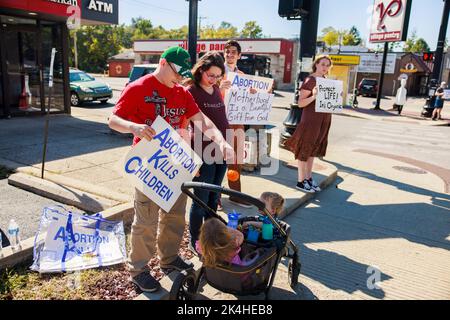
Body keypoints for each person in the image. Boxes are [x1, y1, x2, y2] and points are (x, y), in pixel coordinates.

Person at [108, 46, 234, 293]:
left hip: (176, 165)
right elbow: (113, 120)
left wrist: (220, 141)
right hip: (149, 165)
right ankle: (139, 270)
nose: (180, 77)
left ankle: (168, 258)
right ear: (164, 62)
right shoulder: (139, 88)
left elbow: (202, 120)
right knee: (146, 219)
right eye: (178, 71)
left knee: (174, 215)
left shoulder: (181, 93)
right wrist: (133, 127)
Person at [184, 51, 230, 253]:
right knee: (200, 200)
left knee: (214, 197)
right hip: (203, 152)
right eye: (210, 75)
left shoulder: (217, 89)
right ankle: (195, 241)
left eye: (218, 76)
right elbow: (191, 124)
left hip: (222, 150)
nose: (214, 80)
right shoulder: (190, 90)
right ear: (201, 69)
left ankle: (211, 238)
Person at [284, 55, 333, 193]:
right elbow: (300, 103)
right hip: (311, 120)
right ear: (316, 64)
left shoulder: (326, 81)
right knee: (305, 149)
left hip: (323, 120)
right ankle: (300, 181)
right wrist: (314, 96)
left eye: (327, 65)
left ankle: (308, 178)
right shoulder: (310, 80)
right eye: (322, 64)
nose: (325, 67)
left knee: (313, 150)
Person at [219, 40, 253, 208]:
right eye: (227, 51)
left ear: (239, 55)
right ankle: (214, 196)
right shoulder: (216, 72)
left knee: (236, 159)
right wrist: (219, 87)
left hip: (237, 121)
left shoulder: (243, 77)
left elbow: (250, 100)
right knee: (217, 158)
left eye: (233, 52)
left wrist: (256, 92)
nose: (230, 54)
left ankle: (235, 194)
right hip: (219, 120)